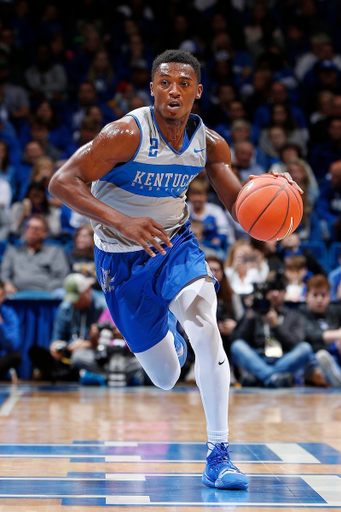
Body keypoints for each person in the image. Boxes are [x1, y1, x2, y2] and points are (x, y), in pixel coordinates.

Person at [49, 49, 300, 490]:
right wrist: (122, 220)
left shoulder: (210, 144)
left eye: (184, 83)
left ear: (197, 92)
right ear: (152, 88)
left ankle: (218, 455)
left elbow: (246, 214)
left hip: (173, 245)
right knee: (165, 378)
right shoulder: (125, 133)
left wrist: (276, 195)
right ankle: (170, 332)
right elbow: (62, 182)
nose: (174, 90)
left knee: (206, 327)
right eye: (165, 82)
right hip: (119, 258)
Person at [230, 271, 312, 388]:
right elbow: (237, 339)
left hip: (283, 358)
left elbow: (296, 343)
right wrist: (249, 316)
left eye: (279, 290)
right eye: (271, 290)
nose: (275, 294)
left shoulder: (294, 316)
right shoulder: (254, 312)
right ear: (265, 292)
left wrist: (276, 326)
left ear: (285, 292)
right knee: (237, 346)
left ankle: (262, 377)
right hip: (257, 357)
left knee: (305, 348)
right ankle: (274, 378)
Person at [29, 273, 106, 383]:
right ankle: (65, 372)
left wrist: (88, 344)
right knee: (35, 351)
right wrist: (55, 347)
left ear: (87, 292)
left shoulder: (102, 306)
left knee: (78, 357)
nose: (73, 302)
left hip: (93, 353)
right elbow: (57, 337)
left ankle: (69, 373)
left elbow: (110, 341)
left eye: (77, 298)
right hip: (69, 354)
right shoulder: (65, 307)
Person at [0, 214, 69, 295]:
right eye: (28, 227)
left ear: (44, 233)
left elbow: (60, 276)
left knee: (61, 293)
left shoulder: (55, 251)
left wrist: (46, 290)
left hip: (48, 293)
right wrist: (7, 284)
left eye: (36, 229)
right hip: (15, 292)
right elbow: (4, 273)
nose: (31, 231)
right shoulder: (13, 251)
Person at [299, 274, 341, 387]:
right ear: (307, 296)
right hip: (313, 358)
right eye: (315, 295)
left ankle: (335, 378)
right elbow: (311, 335)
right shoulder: (300, 313)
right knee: (313, 361)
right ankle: (333, 378)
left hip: (336, 356)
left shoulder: (335, 310)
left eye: (323, 295)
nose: (319, 299)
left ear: (329, 296)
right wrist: (338, 335)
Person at [0, 279, 21, 382]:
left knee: (16, 356)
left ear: (4, 296)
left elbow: (14, 345)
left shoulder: (9, 314)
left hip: (2, 358)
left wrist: (1, 325)